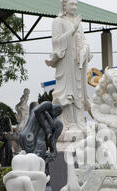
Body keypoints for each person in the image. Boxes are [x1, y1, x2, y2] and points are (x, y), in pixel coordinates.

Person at [45, 0, 92, 133]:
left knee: (79, 93)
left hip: (78, 63)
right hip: (66, 62)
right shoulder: (58, 21)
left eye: (76, 4)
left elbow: (83, 40)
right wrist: (72, 30)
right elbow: (56, 41)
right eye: (72, 4)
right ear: (64, 5)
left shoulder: (78, 23)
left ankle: (79, 122)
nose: (74, 7)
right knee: (68, 93)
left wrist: (85, 48)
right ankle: (68, 123)